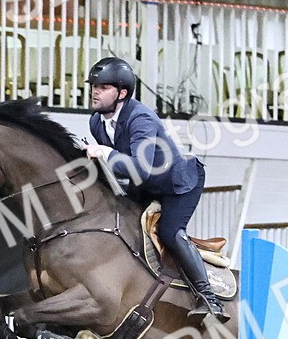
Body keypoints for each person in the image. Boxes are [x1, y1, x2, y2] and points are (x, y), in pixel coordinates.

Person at [82, 57, 228, 322]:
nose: (95, 90)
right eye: (94, 85)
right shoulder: (96, 122)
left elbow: (139, 167)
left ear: (122, 93)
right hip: (145, 184)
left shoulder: (141, 119)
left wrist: (105, 151)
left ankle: (209, 298)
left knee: (169, 232)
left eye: (103, 87)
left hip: (178, 183)